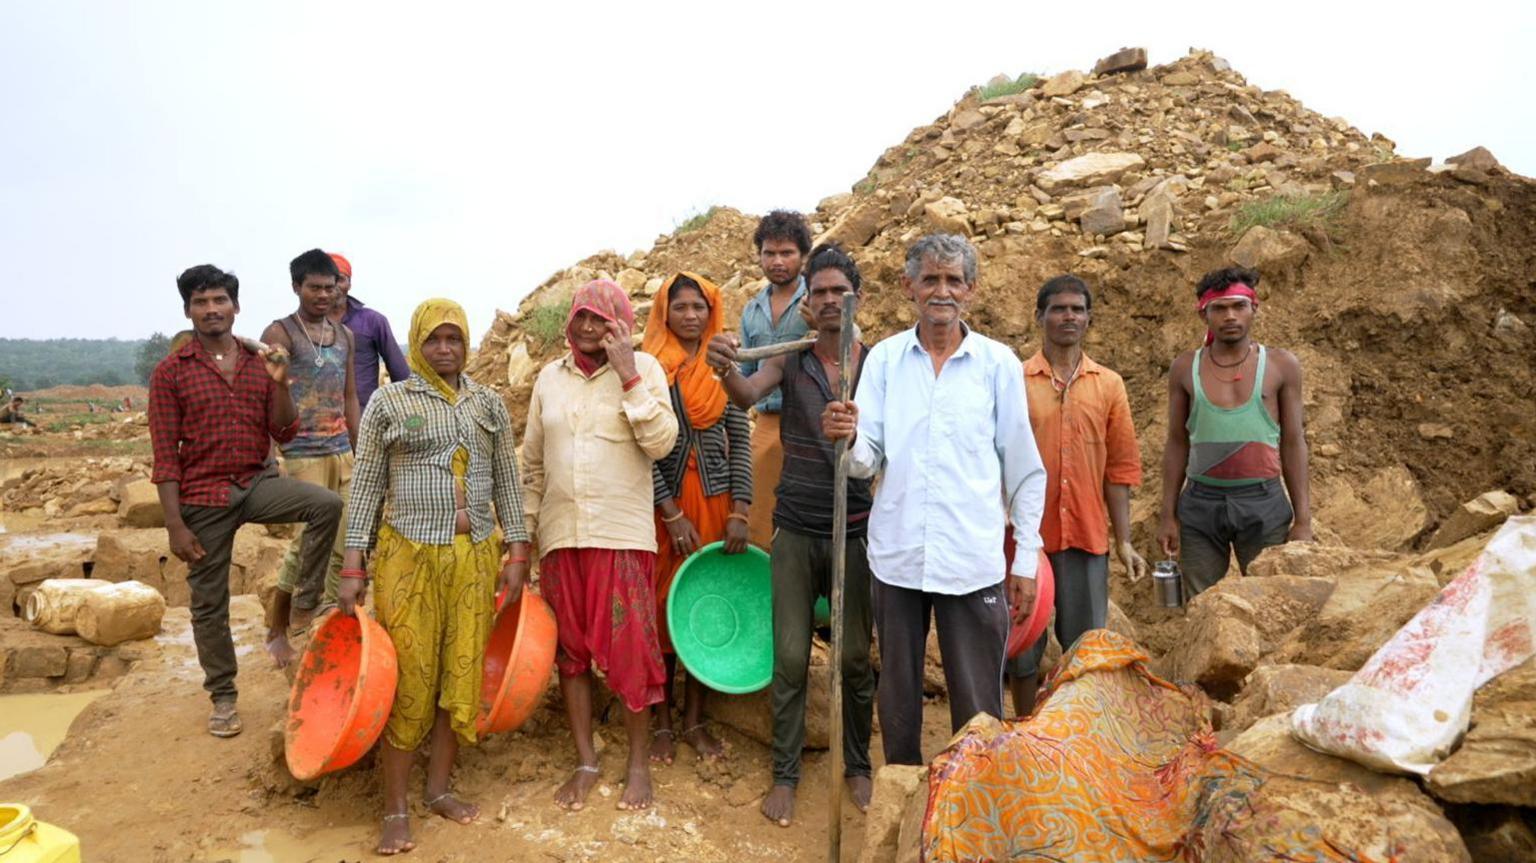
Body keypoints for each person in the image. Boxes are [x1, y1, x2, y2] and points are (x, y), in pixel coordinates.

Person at [822, 234, 1046, 766]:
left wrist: (1027, 559)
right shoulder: (885, 363)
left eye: (952, 280)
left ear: (970, 289)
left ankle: (972, 812)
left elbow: (1024, 469)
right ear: (909, 287)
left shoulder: (997, 364)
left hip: (972, 560)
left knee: (976, 705)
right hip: (897, 556)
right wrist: (848, 438)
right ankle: (902, 801)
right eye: (930, 279)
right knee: (898, 697)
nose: (941, 291)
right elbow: (866, 459)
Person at [337, 297, 528, 856]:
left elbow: (507, 484)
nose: (444, 349)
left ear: (466, 345)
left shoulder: (488, 402)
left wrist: (517, 550)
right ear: (416, 343)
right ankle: (395, 806)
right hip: (409, 557)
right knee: (412, 677)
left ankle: (439, 789)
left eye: (454, 340)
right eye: (433, 340)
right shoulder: (389, 403)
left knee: (459, 672)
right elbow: (368, 486)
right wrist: (354, 564)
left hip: (474, 558)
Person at [707, 243, 876, 826]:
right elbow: (749, 394)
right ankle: (785, 772)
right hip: (796, 527)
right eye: (819, 292)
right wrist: (727, 365)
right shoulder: (794, 357)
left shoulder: (876, 363)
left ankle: (857, 764)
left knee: (854, 656)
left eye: (838, 291)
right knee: (789, 656)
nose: (829, 301)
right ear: (808, 301)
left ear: (858, 297)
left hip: (855, 530)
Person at [147, 264, 342, 738]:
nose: (211, 310)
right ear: (188, 310)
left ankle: (306, 602)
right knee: (208, 603)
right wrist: (174, 524)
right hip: (204, 496)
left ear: (236, 307)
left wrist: (279, 383)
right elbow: (165, 455)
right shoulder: (172, 373)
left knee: (327, 506)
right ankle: (223, 696)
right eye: (201, 302)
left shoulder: (262, 363)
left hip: (257, 484)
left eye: (219, 300)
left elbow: (285, 431)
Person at [522, 279, 679, 812]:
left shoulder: (647, 370)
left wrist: (630, 373)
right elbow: (533, 465)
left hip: (621, 535)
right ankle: (586, 760)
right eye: (581, 318)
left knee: (632, 651)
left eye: (600, 319)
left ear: (619, 323)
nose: (588, 328)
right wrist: (523, 535)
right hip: (561, 535)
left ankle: (638, 764)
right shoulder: (549, 378)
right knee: (571, 654)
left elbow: (661, 442)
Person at [1005, 275, 1146, 718]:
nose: (1069, 317)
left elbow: (1119, 469)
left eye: (1078, 309)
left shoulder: (1108, 385)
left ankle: (1076, 733)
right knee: (1021, 647)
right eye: (1059, 309)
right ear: (1039, 317)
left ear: (1089, 318)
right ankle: (1028, 730)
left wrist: (1122, 541)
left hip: (1086, 536)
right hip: (1026, 540)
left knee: (1084, 647)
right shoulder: (1014, 381)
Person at [640, 272, 752, 765]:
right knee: (664, 606)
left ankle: (695, 721)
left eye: (699, 307)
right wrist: (671, 512)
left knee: (707, 604)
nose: (690, 316)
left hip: (716, 501)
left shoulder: (721, 365)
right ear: (664, 312)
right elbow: (642, 452)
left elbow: (741, 439)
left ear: (712, 312)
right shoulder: (649, 369)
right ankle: (662, 722)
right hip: (665, 510)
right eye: (680, 307)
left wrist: (741, 510)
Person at [1157, 266, 1312, 596]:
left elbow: (1294, 442)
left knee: (1270, 598)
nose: (1230, 316)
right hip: (1200, 503)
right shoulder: (1186, 367)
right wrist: (1167, 514)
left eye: (1238, 306)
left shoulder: (1281, 365)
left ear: (1254, 309)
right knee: (1200, 602)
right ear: (1204, 315)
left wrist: (1303, 519)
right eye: (1219, 308)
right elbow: (1176, 442)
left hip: (1263, 501)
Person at [261, 249, 360, 668]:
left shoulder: (344, 335)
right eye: (314, 287)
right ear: (296, 287)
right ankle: (277, 628)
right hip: (301, 452)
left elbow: (350, 396)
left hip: (341, 449)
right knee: (305, 544)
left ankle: (334, 625)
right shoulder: (281, 333)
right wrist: (270, 456)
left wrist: (362, 448)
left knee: (347, 541)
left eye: (329, 286)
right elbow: (266, 394)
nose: (323, 294)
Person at [738, 211, 813, 548]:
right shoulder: (752, 310)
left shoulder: (817, 298)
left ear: (803, 255)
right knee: (758, 522)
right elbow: (746, 379)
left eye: (787, 253)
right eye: (770, 253)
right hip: (767, 424)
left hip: (811, 422)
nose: (777, 261)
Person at [325, 252, 411, 408]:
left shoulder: (373, 321)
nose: (335, 286)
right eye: (330, 280)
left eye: (341, 279)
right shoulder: (306, 324)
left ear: (349, 284)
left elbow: (400, 373)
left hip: (366, 417)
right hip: (319, 419)